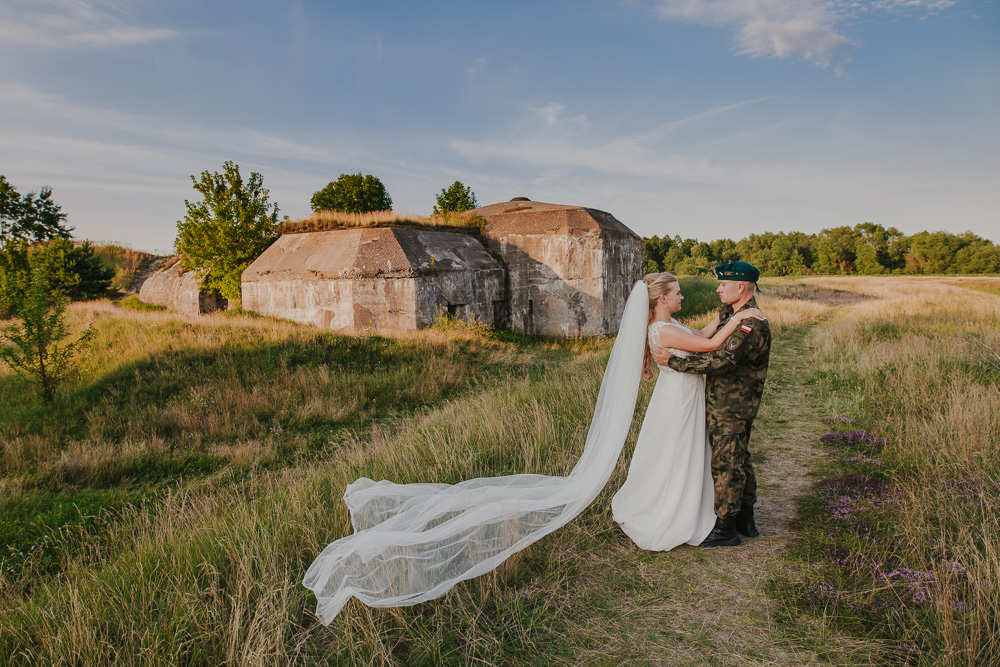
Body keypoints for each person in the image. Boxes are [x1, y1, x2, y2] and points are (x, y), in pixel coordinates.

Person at [612, 273, 765, 551]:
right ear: (663, 298)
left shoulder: (671, 323)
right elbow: (710, 345)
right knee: (680, 450)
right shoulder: (663, 330)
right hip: (679, 399)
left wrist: (730, 314)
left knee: (689, 449)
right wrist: (736, 320)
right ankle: (676, 508)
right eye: (678, 293)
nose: (682, 297)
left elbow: (704, 334)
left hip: (686, 395)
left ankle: (702, 506)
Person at [651, 261, 771, 547]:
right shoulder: (732, 313)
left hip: (733, 403)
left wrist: (673, 362)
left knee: (727, 463)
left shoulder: (748, 323)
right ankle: (745, 519)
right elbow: (705, 336)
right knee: (738, 456)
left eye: (722, 285)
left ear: (740, 287)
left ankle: (726, 529)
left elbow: (722, 359)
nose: (717, 289)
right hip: (722, 401)